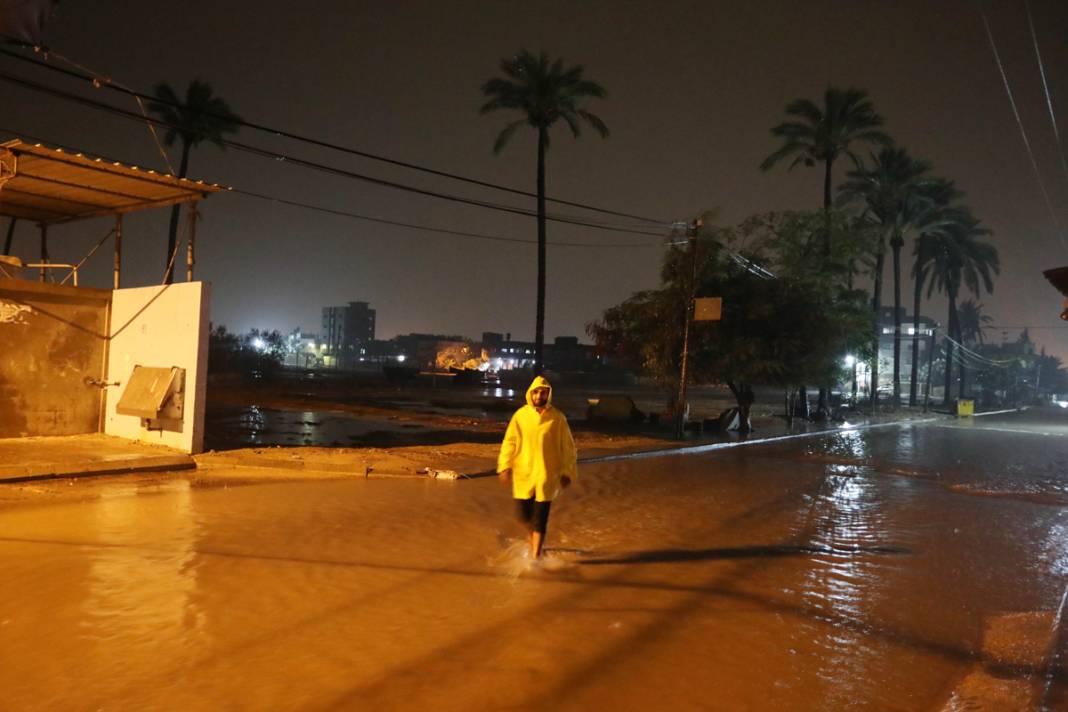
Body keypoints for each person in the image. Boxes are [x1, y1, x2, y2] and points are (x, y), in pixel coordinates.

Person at [497, 375, 577, 560]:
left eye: (543, 392)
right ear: (530, 393)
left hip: (547, 475)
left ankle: (536, 557)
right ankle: (532, 537)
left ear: (548, 394)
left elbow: (568, 447)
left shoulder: (557, 418)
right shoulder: (520, 416)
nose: (539, 395)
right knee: (523, 516)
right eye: (536, 392)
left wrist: (567, 471)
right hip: (523, 474)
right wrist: (505, 466)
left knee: (540, 520)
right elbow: (510, 442)